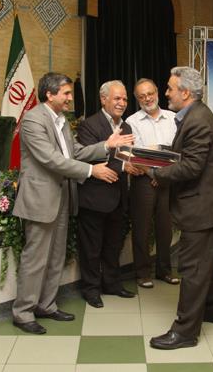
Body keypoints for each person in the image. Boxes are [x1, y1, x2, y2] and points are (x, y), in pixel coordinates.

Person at [11, 73, 133, 334]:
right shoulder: (33, 119)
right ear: (49, 94)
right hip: (41, 200)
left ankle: (46, 305)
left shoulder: (62, 121)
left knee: (56, 257)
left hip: (63, 198)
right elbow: (51, 159)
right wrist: (91, 171)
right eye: (66, 93)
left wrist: (107, 145)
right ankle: (23, 313)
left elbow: (75, 152)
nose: (70, 98)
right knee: (35, 259)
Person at [142, 67, 213, 350]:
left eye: (170, 88)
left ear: (185, 93)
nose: (166, 93)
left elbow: (192, 166)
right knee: (209, 262)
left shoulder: (197, 120)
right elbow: (188, 155)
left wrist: (155, 172)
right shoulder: (195, 115)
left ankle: (184, 332)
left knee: (193, 268)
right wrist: (162, 153)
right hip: (210, 205)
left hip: (202, 208)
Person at [76, 80, 136, 308]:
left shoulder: (127, 127)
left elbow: (125, 158)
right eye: (117, 98)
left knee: (113, 245)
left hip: (119, 197)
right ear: (103, 99)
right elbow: (84, 157)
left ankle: (112, 284)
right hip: (94, 198)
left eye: (125, 99)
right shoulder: (89, 125)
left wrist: (134, 163)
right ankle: (91, 289)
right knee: (91, 248)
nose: (122, 103)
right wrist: (119, 161)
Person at [126, 78, 179, 289]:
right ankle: (142, 273)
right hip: (143, 181)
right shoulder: (131, 121)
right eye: (142, 96)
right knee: (142, 228)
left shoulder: (173, 118)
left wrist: (163, 175)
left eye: (150, 93)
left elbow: (176, 150)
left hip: (168, 179)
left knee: (165, 228)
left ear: (157, 92)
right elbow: (135, 154)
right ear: (137, 99)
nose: (147, 98)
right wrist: (153, 174)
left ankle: (164, 271)